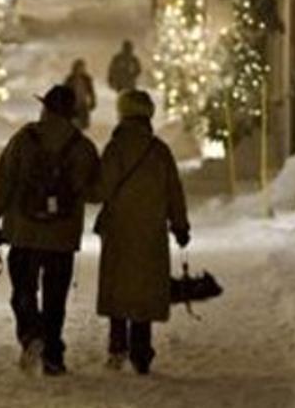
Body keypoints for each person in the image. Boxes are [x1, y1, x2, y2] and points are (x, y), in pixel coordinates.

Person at [0, 85, 101, 376]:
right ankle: (53, 357)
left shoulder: (24, 139)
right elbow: (95, 191)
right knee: (55, 298)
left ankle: (31, 335)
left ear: (46, 108)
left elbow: (2, 186)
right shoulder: (81, 146)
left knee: (23, 291)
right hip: (62, 236)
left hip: (24, 231)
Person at [93, 90, 190, 375]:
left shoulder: (115, 148)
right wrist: (180, 225)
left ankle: (117, 345)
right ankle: (141, 351)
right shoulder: (159, 150)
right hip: (150, 232)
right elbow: (174, 191)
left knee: (118, 286)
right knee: (144, 288)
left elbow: (101, 189)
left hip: (119, 230)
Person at [64, 59, 96, 130]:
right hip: (72, 105)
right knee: (72, 124)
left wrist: (93, 101)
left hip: (83, 105)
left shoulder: (87, 79)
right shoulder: (69, 79)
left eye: (82, 67)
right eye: (79, 67)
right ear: (75, 68)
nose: (81, 69)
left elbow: (91, 92)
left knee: (83, 125)